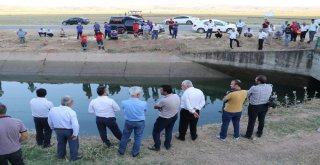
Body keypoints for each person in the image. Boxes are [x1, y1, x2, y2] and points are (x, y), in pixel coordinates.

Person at [48, 96, 80, 161]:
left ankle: (60, 157)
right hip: (69, 131)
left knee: (60, 143)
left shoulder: (53, 109)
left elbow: (49, 121)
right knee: (73, 144)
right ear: (69, 103)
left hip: (58, 130)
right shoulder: (71, 112)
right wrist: (75, 134)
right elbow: (75, 124)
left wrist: (52, 128)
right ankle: (74, 158)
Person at [148, 85, 180, 151]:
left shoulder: (164, 100)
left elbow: (155, 106)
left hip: (164, 118)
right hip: (174, 115)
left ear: (165, 92)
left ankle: (157, 147)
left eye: (161, 90)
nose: (160, 91)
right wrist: (163, 107)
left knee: (156, 131)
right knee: (169, 130)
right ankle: (167, 145)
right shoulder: (176, 95)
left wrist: (159, 107)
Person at [118, 86, 147, 157]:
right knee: (138, 137)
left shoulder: (124, 102)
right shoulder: (144, 103)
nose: (140, 94)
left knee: (125, 136)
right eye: (140, 93)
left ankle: (121, 150)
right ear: (137, 94)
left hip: (129, 121)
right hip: (140, 122)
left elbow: (124, 109)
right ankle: (134, 153)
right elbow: (145, 111)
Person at [244, 75, 272, 139]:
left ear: (258, 81)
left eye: (256, 79)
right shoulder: (269, 87)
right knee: (261, 120)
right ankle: (259, 133)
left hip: (254, 107)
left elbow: (247, 94)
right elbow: (268, 85)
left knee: (251, 121)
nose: (255, 80)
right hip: (265, 106)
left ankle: (248, 135)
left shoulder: (254, 88)